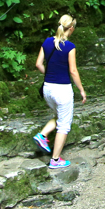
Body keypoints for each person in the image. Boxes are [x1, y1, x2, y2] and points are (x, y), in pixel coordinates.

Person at [33, 14, 87, 169]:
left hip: (47, 89)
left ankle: (42, 135)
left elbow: (38, 64)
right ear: (71, 29)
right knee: (64, 125)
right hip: (62, 90)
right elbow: (73, 71)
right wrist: (82, 90)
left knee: (59, 116)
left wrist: (49, 75)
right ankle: (55, 160)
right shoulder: (70, 47)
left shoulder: (47, 42)